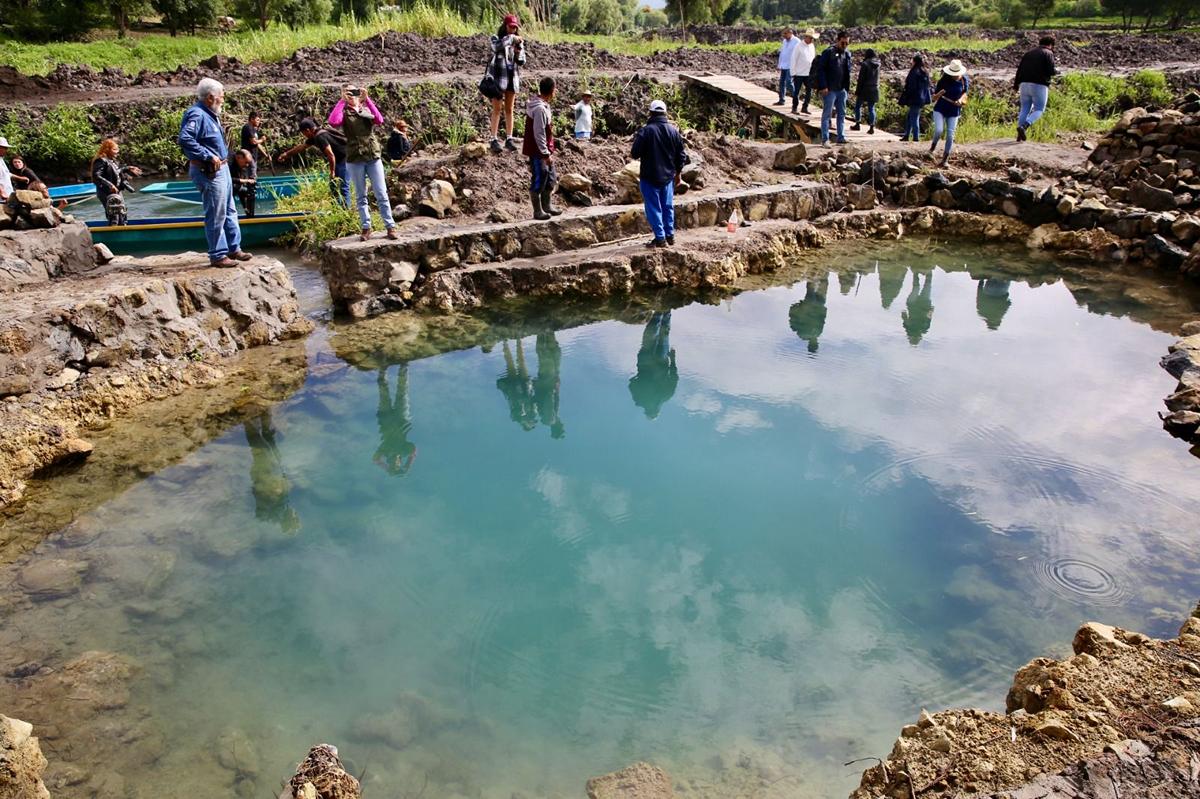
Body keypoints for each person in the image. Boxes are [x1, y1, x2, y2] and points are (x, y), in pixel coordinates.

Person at [178, 77, 250, 267]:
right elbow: (185, 139)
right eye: (221, 97)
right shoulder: (197, 114)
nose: (223, 100)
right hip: (209, 170)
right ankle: (218, 255)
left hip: (223, 169)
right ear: (210, 97)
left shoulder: (210, 113)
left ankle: (234, 248)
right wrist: (208, 156)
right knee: (216, 213)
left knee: (229, 209)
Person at [328, 84, 398, 241]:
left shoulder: (366, 109)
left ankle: (390, 226)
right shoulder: (344, 112)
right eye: (349, 93)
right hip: (354, 158)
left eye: (355, 92)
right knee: (361, 196)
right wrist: (341, 102)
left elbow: (379, 120)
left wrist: (367, 100)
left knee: (381, 193)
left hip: (372, 155)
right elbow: (333, 122)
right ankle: (366, 227)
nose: (353, 95)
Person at [631, 99, 685, 249]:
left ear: (651, 113)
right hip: (668, 178)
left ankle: (660, 239)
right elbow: (682, 156)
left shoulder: (646, 131)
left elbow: (635, 153)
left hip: (649, 177)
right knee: (667, 206)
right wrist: (678, 173)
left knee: (654, 207)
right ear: (665, 113)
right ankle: (670, 236)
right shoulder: (673, 131)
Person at [277, 118, 349, 207]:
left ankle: (346, 209)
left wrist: (332, 171)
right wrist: (286, 154)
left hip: (344, 159)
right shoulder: (315, 135)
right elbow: (302, 147)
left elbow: (331, 155)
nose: (305, 136)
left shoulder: (319, 137)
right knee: (333, 185)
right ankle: (337, 207)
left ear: (308, 130)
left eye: (304, 133)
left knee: (343, 185)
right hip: (339, 159)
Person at [487, 13, 526, 154]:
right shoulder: (496, 38)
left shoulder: (517, 41)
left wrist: (517, 51)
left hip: (512, 78)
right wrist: (510, 39)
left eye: (515, 28)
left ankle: (509, 138)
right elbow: (495, 47)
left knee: (509, 109)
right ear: (505, 26)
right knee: (497, 109)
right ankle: (494, 139)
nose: (513, 30)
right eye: (511, 27)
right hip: (499, 79)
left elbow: (522, 61)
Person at [628, 311, 678, 419]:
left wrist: (673, 360)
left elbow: (674, 378)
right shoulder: (639, 399)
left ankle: (666, 307)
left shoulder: (665, 397)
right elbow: (631, 383)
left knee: (663, 333)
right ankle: (660, 309)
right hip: (644, 363)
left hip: (661, 362)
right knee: (651, 335)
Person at [523, 75, 559, 222]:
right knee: (540, 175)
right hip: (538, 150)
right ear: (552, 90)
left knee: (551, 177)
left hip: (545, 149)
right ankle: (538, 210)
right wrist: (544, 153)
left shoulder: (543, 105)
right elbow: (539, 133)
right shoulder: (539, 109)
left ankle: (547, 205)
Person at [374, 364, 418, 476]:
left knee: (383, 394)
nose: (396, 462)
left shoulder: (385, 450)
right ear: (400, 462)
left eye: (393, 464)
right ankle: (403, 367)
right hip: (401, 419)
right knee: (402, 393)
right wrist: (408, 466)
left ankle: (382, 370)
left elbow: (375, 459)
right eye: (397, 464)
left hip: (386, 419)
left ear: (389, 462)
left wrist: (386, 468)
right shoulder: (403, 451)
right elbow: (413, 449)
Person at [91, 138, 142, 226]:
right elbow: (96, 176)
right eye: (115, 149)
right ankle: (114, 233)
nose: (117, 151)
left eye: (117, 149)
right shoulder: (101, 160)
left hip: (116, 191)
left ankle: (122, 229)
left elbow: (117, 171)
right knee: (114, 213)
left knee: (122, 212)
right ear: (107, 149)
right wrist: (110, 185)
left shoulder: (112, 161)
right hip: (106, 191)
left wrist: (128, 168)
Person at [814, 30, 852, 147]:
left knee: (841, 114)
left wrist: (846, 88)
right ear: (837, 41)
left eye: (847, 44)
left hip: (841, 90)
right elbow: (821, 70)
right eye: (842, 43)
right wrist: (823, 86)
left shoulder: (847, 54)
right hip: (829, 89)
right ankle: (825, 139)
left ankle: (841, 137)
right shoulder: (828, 52)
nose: (844, 46)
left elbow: (847, 72)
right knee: (827, 114)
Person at [1014, 35, 1056, 141]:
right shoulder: (1048, 53)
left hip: (1024, 84)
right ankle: (1024, 126)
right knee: (1039, 109)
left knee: (1024, 108)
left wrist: (1016, 84)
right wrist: (1057, 72)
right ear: (1051, 45)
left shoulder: (1028, 53)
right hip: (1039, 85)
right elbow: (1051, 70)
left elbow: (1019, 69)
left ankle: (1019, 135)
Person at [929, 59, 969, 167]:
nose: (956, 76)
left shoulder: (964, 80)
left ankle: (945, 159)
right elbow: (934, 98)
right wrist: (940, 93)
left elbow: (965, 93)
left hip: (954, 110)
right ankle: (932, 147)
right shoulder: (943, 81)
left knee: (950, 135)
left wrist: (960, 100)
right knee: (939, 130)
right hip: (941, 108)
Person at [789, 275, 829, 354]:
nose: (816, 342)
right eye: (816, 344)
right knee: (817, 289)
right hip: (817, 306)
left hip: (811, 307)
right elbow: (822, 319)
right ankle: (819, 274)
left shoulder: (805, 334)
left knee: (812, 289)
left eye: (815, 344)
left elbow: (822, 319)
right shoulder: (813, 333)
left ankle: (813, 273)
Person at [898, 55, 933, 142]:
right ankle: (906, 135)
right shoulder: (924, 72)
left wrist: (907, 97)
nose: (911, 62)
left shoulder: (914, 72)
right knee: (910, 117)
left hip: (914, 98)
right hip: (922, 98)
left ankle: (916, 137)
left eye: (912, 60)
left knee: (914, 118)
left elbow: (911, 87)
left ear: (915, 61)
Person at [790, 28, 818, 115]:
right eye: (811, 38)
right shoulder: (798, 46)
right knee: (797, 91)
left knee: (809, 91)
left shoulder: (812, 46)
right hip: (799, 73)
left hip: (808, 73)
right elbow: (793, 59)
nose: (812, 40)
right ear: (806, 37)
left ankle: (805, 107)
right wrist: (793, 73)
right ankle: (794, 108)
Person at [852, 48, 880, 134]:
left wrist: (857, 91)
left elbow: (861, 79)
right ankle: (872, 126)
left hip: (865, 88)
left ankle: (857, 123)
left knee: (858, 106)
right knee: (871, 108)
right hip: (874, 88)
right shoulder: (878, 64)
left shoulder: (865, 64)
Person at [230, 148, 257, 218]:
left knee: (246, 191)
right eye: (246, 162)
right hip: (221, 185)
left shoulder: (244, 163)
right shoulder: (228, 161)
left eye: (248, 163)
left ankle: (249, 213)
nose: (247, 165)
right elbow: (228, 179)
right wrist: (245, 180)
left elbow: (252, 168)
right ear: (239, 158)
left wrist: (252, 178)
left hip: (235, 184)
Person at [775, 27, 798, 106]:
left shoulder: (796, 41)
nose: (784, 35)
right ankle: (781, 100)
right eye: (783, 34)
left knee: (789, 82)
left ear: (790, 33)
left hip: (791, 66)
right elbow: (782, 53)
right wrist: (779, 64)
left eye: (785, 34)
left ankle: (796, 98)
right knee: (782, 83)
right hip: (784, 65)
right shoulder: (785, 41)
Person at [0, 137, 12, 202]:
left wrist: (20, 178)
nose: (6, 150)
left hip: (7, 195)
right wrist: (2, 192)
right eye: (4, 148)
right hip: (2, 197)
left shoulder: (1, 159)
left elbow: (6, 174)